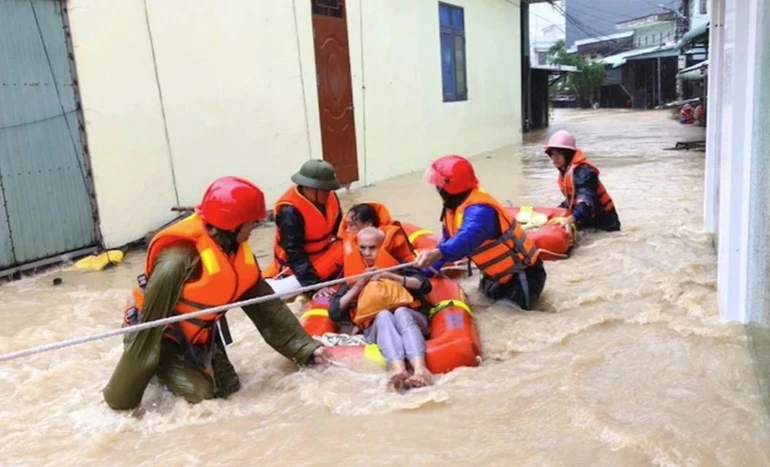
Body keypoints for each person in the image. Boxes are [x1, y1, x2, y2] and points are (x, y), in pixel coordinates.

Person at [103, 176, 331, 411]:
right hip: (162, 339)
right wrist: (123, 400)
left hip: (199, 336)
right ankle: (160, 372)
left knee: (229, 388)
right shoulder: (178, 260)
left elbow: (266, 308)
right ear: (233, 226)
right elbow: (148, 329)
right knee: (201, 398)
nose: (255, 227)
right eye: (252, 223)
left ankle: (182, 368)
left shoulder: (234, 248)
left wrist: (308, 349)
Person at [415, 155, 547, 311]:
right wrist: (422, 273)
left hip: (522, 276)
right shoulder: (454, 209)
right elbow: (446, 241)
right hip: (494, 276)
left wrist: (439, 253)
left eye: (438, 185)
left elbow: (466, 240)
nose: (437, 189)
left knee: (505, 316)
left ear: (450, 187)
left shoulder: (480, 211)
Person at [329, 227, 433, 391]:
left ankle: (421, 370)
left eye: (373, 248)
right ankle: (398, 369)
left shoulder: (398, 264)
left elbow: (425, 285)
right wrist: (359, 284)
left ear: (382, 246)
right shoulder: (354, 273)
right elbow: (335, 312)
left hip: (411, 317)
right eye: (362, 248)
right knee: (383, 315)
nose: (367, 253)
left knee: (401, 312)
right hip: (377, 325)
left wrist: (391, 276)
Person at [264, 160, 344, 298]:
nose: (328, 193)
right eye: (324, 190)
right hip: (297, 266)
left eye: (329, 189)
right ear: (309, 187)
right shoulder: (290, 212)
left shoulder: (331, 198)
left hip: (323, 255)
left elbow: (335, 231)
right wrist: (314, 286)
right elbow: (294, 253)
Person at [544, 130, 621, 232]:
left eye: (559, 153)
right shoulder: (566, 171)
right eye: (552, 154)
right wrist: (554, 213)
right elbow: (572, 200)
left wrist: (570, 219)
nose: (555, 158)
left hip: (604, 223)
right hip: (587, 217)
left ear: (568, 154)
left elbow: (586, 202)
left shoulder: (584, 173)